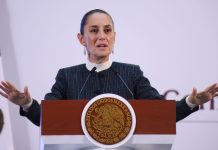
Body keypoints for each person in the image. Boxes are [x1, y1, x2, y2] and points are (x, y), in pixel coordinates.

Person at [0, 9, 217, 127]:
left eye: (107, 30)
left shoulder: (131, 74)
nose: (102, 36)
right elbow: (47, 119)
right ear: (81, 38)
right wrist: (27, 103)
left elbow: (161, 114)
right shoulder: (67, 76)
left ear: (114, 36)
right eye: (94, 30)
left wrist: (191, 102)